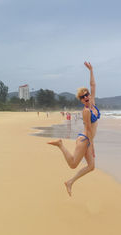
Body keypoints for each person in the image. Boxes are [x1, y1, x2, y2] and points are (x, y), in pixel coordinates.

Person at [47, 62, 100, 196]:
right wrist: (92, 146)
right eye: (83, 97)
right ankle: (60, 145)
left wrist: (91, 70)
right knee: (73, 164)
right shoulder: (86, 111)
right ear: (81, 100)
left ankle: (70, 182)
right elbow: (88, 129)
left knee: (91, 166)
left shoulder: (93, 103)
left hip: (88, 140)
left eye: (86, 94)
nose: (86, 97)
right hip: (85, 139)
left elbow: (93, 85)